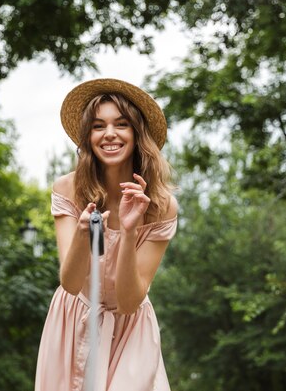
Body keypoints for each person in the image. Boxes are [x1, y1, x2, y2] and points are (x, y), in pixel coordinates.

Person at [35, 78, 178, 391]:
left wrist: (129, 232)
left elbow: (128, 303)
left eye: (121, 124)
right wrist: (84, 232)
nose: (109, 134)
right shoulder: (68, 189)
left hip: (130, 331)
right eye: (98, 126)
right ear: (88, 136)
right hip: (74, 319)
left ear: (137, 134)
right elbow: (71, 283)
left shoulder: (161, 206)